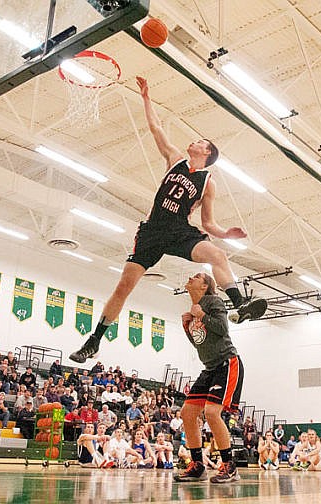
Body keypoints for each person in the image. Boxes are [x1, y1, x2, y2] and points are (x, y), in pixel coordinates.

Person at [69, 76, 267, 363]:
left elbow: (209, 223)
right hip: (152, 231)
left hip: (179, 231)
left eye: (200, 141)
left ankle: (240, 305)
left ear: (207, 152)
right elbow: (155, 128)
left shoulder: (207, 183)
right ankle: (94, 341)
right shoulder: (174, 158)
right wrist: (146, 97)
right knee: (124, 285)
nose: (193, 140)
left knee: (217, 254)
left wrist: (226, 234)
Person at [174, 272, 244, 484]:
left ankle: (229, 466)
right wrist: (187, 327)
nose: (189, 277)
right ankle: (197, 465)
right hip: (209, 368)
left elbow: (222, 329)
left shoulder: (213, 301)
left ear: (204, 286)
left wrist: (202, 315)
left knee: (212, 412)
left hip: (227, 363)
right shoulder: (194, 310)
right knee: (187, 413)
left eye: (195, 276)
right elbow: (199, 342)